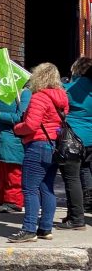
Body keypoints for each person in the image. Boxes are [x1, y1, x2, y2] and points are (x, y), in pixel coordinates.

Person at [8, 62, 68, 243]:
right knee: (47, 188)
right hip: (54, 145)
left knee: (30, 188)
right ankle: (45, 228)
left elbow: (31, 125)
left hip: (38, 144)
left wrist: (17, 128)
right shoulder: (63, 97)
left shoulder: (39, 97)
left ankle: (28, 229)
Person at [57, 56, 92, 229]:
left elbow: (60, 109)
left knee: (71, 179)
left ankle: (76, 217)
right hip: (90, 138)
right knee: (85, 172)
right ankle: (85, 204)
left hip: (73, 139)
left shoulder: (68, 89)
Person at [0, 87, 31, 213]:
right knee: (2, 171)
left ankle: (14, 202)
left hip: (13, 138)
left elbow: (21, 117)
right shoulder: (3, 91)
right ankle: (4, 199)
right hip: (0, 137)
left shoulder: (24, 93)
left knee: (13, 172)